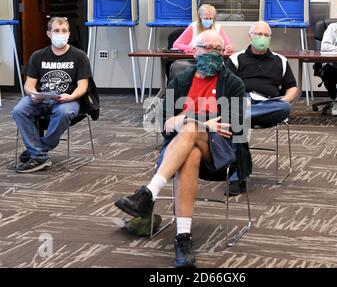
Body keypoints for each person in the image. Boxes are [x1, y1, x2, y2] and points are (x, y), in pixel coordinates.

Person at [115, 30, 251, 268]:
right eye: (207, 48)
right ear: (194, 51)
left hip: (219, 153)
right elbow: (164, 124)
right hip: (182, 150)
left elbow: (233, 125)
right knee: (190, 153)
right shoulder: (180, 80)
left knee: (188, 129)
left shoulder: (232, 83)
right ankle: (183, 238)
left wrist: (185, 119)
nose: (213, 53)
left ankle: (149, 193)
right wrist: (201, 122)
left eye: (218, 50)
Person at [225, 21, 299, 195]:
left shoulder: (280, 60)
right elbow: (225, 85)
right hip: (242, 100)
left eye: (266, 35)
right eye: (258, 34)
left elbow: (292, 87)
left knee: (284, 109)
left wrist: (285, 100)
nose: (262, 38)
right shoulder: (236, 59)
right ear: (250, 36)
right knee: (235, 116)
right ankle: (237, 177)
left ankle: (243, 116)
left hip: (268, 104)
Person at [12, 17, 92, 173]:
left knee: (65, 112)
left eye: (64, 31)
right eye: (56, 31)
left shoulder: (79, 56)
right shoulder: (38, 56)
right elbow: (28, 85)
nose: (60, 34)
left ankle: (37, 152)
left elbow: (83, 86)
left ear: (69, 33)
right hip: (41, 98)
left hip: (67, 99)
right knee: (19, 110)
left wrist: (70, 97)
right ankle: (39, 154)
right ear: (49, 34)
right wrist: (34, 94)